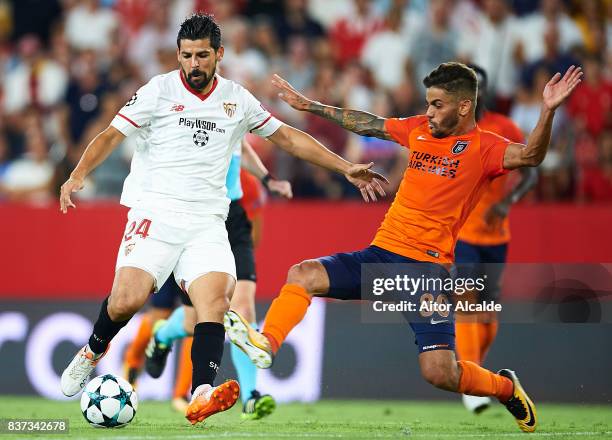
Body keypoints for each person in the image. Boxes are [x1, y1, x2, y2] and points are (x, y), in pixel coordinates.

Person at [58, 13, 385, 426]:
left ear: (219, 55)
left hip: (207, 221)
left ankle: (200, 393)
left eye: (202, 56)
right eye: (187, 56)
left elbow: (286, 136)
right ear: (178, 55)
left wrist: (345, 168)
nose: (194, 64)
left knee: (216, 302)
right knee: (125, 300)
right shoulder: (157, 91)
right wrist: (77, 174)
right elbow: (110, 135)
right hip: (155, 214)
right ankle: (92, 350)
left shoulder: (237, 99)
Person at [224, 62, 582, 433]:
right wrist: (310, 105)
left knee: (440, 373)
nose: (428, 112)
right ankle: (266, 343)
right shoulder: (420, 130)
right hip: (381, 256)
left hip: (426, 272)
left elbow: (531, 156)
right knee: (303, 273)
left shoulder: (486, 148)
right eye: (428, 103)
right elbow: (368, 122)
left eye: (437, 105)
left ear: (463, 106)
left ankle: (505, 388)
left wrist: (548, 110)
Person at [123, 138, 291, 420]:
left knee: (243, 308)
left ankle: (250, 397)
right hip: (194, 219)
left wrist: (268, 178)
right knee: (193, 321)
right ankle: (163, 335)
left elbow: (240, 144)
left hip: (232, 222)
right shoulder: (188, 119)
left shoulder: (247, 183)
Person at [454, 65, 537, 414]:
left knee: (487, 311)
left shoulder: (504, 128)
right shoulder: (453, 130)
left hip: (497, 235)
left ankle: (476, 370)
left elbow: (532, 170)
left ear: (483, 92)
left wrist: (507, 202)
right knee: (467, 302)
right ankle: (471, 387)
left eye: (478, 89)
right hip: (464, 232)